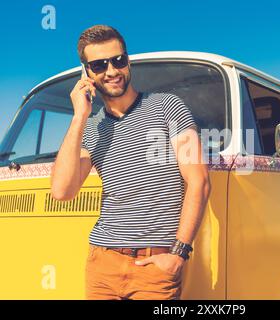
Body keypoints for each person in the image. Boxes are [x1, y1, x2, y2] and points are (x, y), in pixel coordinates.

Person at [50, 25, 211, 300]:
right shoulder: (91, 127)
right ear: (86, 73)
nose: (111, 71)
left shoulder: (166, 107)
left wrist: (179, 254)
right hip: (102, 265)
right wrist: (79, 117)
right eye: (99, 65)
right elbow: (62, 191)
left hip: (154, 267)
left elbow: (199, 182)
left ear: (128, 60)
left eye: (118, 60)